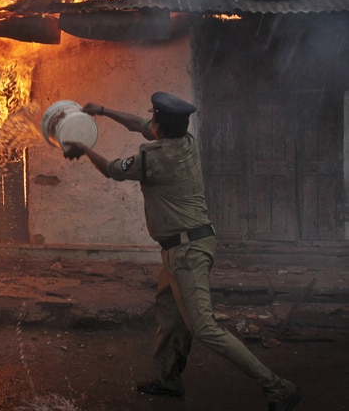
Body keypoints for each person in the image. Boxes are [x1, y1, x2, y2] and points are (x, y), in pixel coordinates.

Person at [63, 91, 301, 411]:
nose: (150, 122)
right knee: (171, 315)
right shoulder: (185, 141)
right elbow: (139, 125)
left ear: (160, 125)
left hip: (187, 251)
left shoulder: (156, 158)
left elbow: (112, 170)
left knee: (204, 328)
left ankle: (279, 388)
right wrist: (103, 110)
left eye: (154, 118)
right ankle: (167, 381)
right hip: (185, 247)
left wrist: (82, 147)